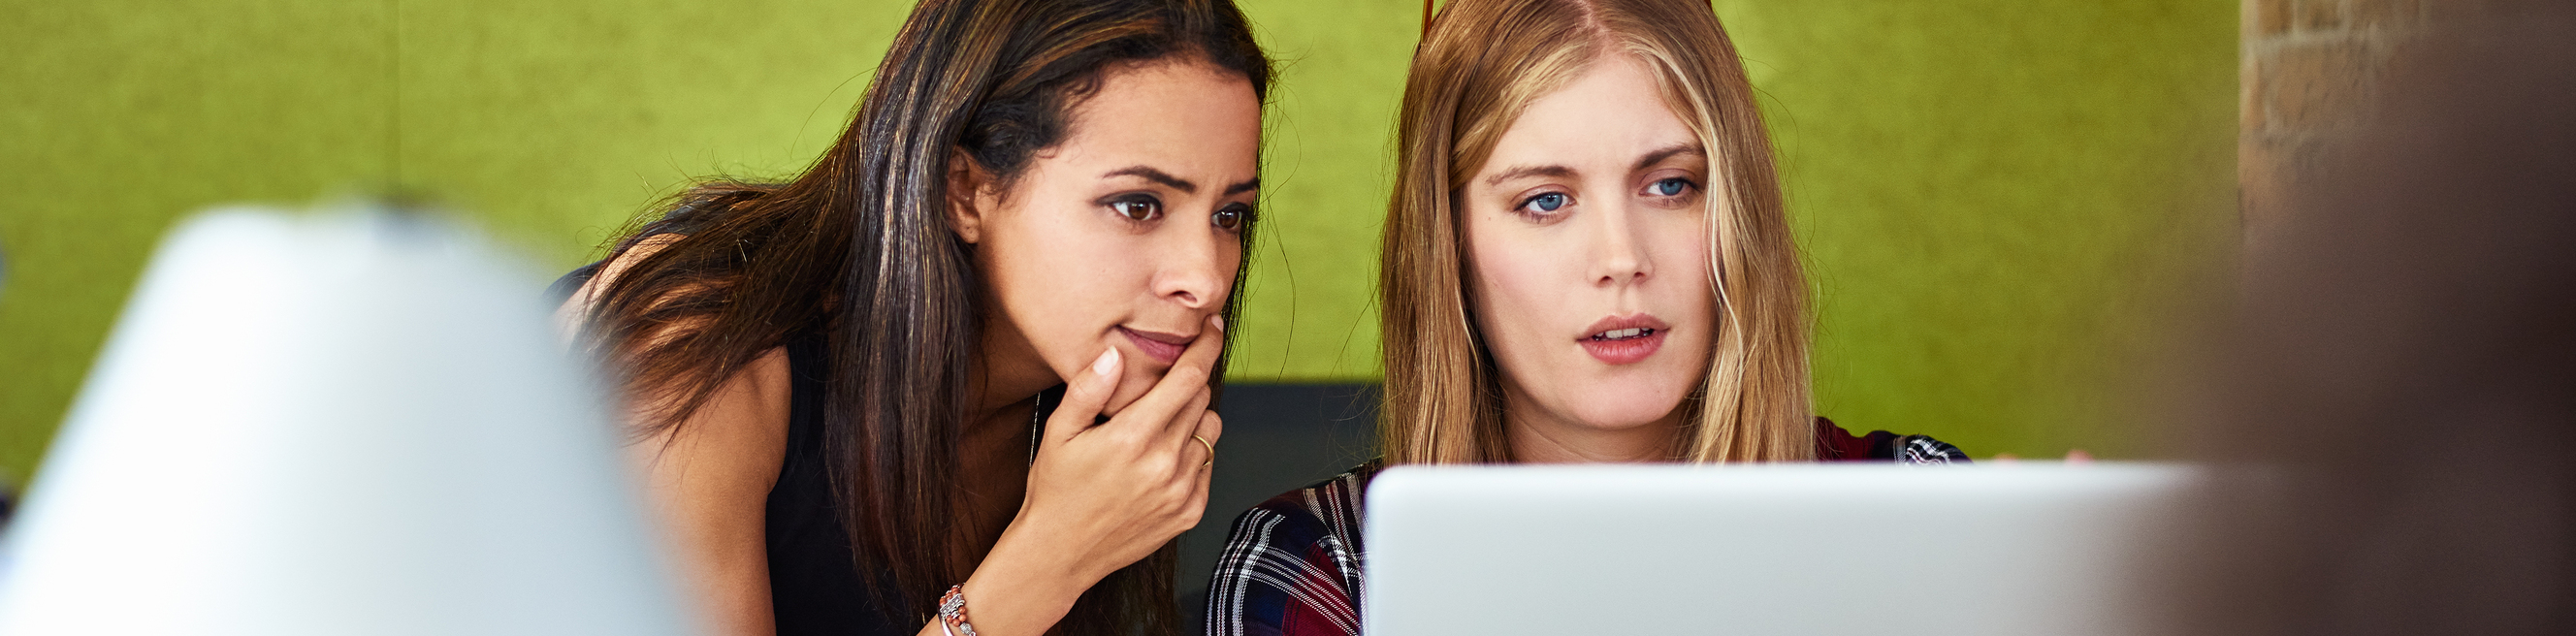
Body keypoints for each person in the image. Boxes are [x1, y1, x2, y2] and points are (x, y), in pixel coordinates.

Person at [1205, 1, 1966, 634]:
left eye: (1671, 186)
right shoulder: (1318, 569)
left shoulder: (1932, 516)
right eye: (1545, 200)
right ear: (1449, 251)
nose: (1621, 256)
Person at [553, 1, 1272, 634]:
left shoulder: (1083, 424)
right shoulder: (693, 346)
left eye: (1229, 214)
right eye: (1138, 205)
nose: (1204, 278)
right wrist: (1042, 566)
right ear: (965, 190)